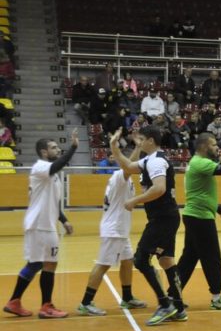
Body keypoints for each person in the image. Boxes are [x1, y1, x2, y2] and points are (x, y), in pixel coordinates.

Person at [109, 126, 186, 326]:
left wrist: (135, 200)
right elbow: (128, 166)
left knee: (141, 260)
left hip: (163, 218)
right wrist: (114, 147)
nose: (139, 143)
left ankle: (165, 304)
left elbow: (159, 188)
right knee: (166, 260)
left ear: (151, 140)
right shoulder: (148, 160)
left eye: (142, 139)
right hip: (164, 217)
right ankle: (178, 307)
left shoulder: (157, 161)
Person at [3, 129, 78, 318]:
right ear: (44, 152)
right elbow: (59, 164)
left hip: (41, 224)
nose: (58, 150)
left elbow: (52, 202)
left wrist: (64, 220)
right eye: (54, 147)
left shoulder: (51, 174)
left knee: (36, 264)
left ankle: (14, 302)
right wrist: (73, 147)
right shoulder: (41, 167)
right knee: (50, 263)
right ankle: (47, 307)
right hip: (41, 225)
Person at [77, 140, 147, 315]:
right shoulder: (120, 176)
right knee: (103, 265)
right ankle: (86, 303)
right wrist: (138, 148)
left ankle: (127, 297)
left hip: (121, 229)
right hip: (114, 229)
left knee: (127, 261)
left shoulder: (125, 178)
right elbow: (128, 166)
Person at [174, 130, 221, 310]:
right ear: (204, 146)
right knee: (212, 257)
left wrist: (220, 210)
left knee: (189, 259)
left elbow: (202, 193)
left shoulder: (196, 163)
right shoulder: (200, 163)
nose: (217, 148)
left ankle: (173, 295)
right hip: (200, 218)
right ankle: (216, 298)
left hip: (195, 216)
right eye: (213, 145)